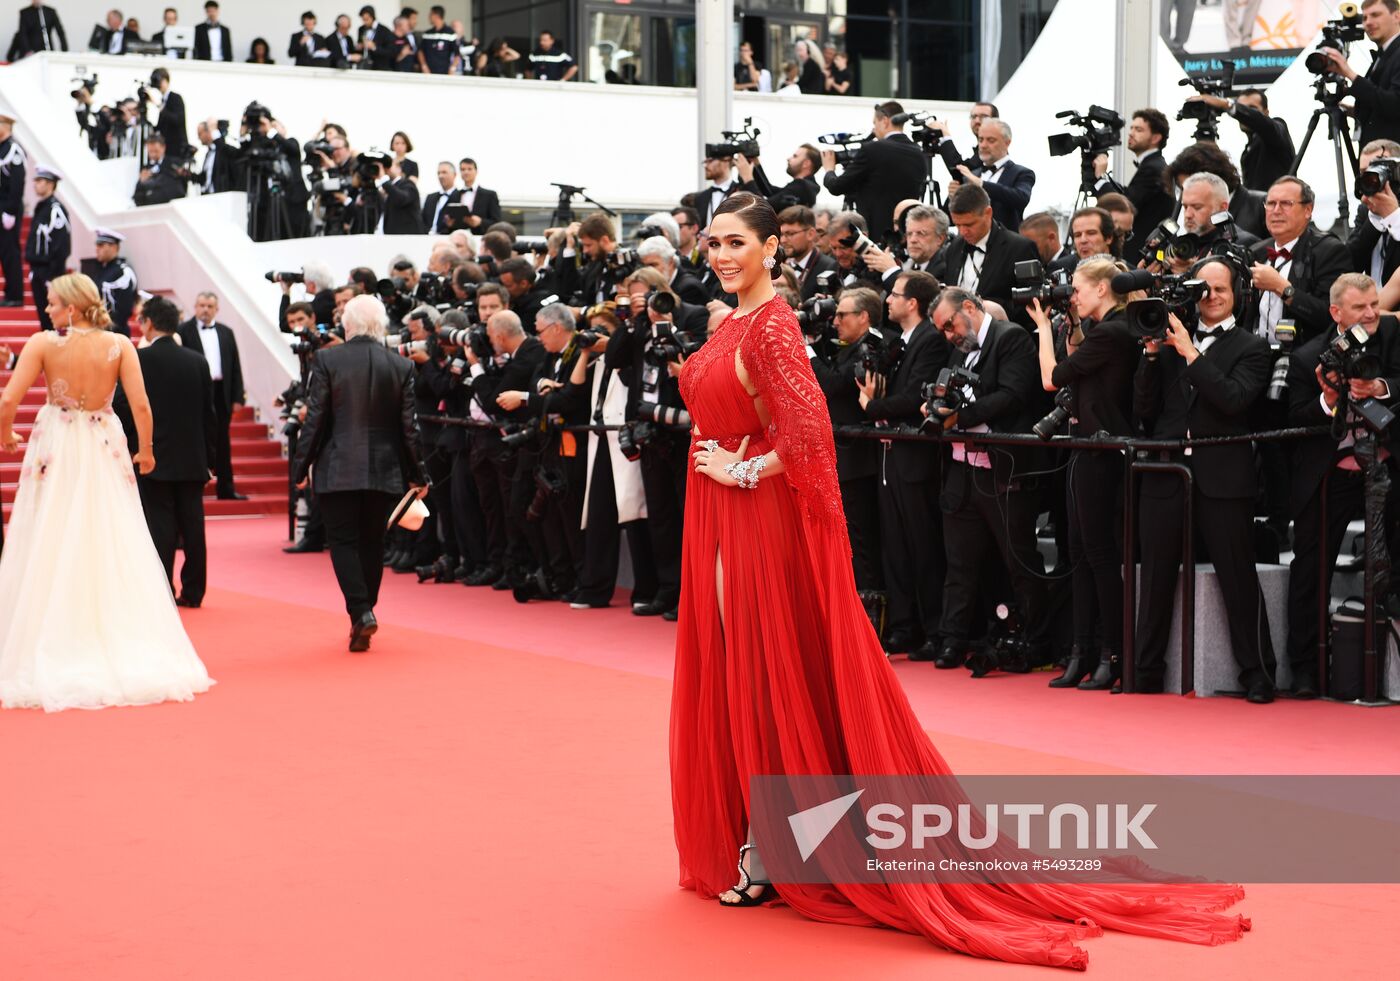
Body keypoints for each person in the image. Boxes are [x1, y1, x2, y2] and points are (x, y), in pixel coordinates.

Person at [671, 191, 1250, 963]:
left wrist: (742, 469)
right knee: (737, 671)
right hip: (717, 513)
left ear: (772, 249)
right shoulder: (734, 320)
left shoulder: (773, 325)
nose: (720, 255)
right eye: (713, 242)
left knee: (768, 673)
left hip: (752, 515)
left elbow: (806, 437)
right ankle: (762, 834)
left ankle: (774, 843)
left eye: (736, 242)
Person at [0, 273, 214, 710]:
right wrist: (147, 450)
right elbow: (140, 406)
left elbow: (8, 400)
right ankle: (112, 632)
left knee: (51, 529)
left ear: (72, 308)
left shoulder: (44, 344)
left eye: (53, 303)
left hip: (56, 442)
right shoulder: (120, 346)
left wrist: (6, 433)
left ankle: (50, 632)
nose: (48, 309)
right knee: (110, 531)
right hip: (103, 445)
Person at [1133, 256, 1277, 701]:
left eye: (1221, 290)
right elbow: (1144, 412)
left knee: (1238, 577)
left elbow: (1233, 400)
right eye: (1204, 288)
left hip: (1223, 476)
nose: (1211, 297)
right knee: (1155, 575)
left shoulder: (1251, 347)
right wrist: (1152, 357)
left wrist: (1191, 353)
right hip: (1167, 473)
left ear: (1237, 296)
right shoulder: (1172, 342)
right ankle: (1145, 672)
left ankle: (1257, 674)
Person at [1284, 273, 1400, 697]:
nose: (1372, 313)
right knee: (1310, 568)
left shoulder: (1392, 334)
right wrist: (1328, 400)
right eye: (1360, 307)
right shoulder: (1308, 357)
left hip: (1387, 467)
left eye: (1374, 304)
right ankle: (1305, 668)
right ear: (1336, 313)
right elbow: (1294, 418)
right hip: (1329, 474)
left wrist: (1379, 387)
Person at [291, 294, 427, 651]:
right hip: (385, 468)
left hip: (338, 466)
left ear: (347, 326)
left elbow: (315, 420)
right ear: (380, 326)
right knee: (372, 542)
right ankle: (365, 610)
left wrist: (300, 466)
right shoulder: (400, 366)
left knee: (343, 541)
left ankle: (360, 611)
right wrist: (418, 474)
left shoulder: (327, 359)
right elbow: (409, 428)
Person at [1030, 256, 1140, 692]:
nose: (1070, 295)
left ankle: (1109, 654)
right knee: (1077, 554)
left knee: (1097, 556)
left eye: (1076, 287)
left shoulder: (1114, 331)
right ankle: (1081, 651)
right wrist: (1072, 322)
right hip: (1085, 448)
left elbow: (1052, 379)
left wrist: (1042, 327)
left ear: (1101, 288)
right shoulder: (1103, 329)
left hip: (1104, 452)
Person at [928, 286, 1049, 672]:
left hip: (1004, 470)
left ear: (969, 307)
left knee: (1019, 561)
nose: (949, 334)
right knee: (959, 563)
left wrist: (956, 418)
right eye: (943, 331)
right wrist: (935, 405)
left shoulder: (1009, 337)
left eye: (950, 324)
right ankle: (952, 640)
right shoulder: (960, 348)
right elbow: (946, 388)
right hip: (963, 469)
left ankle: (1037, 640)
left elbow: (1013, 395)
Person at [861, 270, 949, 660]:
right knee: (895, 546)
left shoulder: (930, 340)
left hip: (916, 457)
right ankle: (903, 626)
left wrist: (872, 407)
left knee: (922, 545)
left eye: (894, 295)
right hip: (892, 454)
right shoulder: (900, 341)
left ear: (912, 303)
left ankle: (932, 627)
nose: (888, 300)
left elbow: (915, 396)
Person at [114, 295, 216, 608]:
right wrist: (209, 457)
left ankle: (164, 589)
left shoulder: (139, 360)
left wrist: (134, 445)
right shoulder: (197, 361)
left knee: (160, 525)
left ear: (148, 323)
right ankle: (195, 590)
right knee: (193, 525)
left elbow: (122, 407)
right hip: (193, 456)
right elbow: (208, 413)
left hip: (152, 453)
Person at [1250, 176, 1351, 345]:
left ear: (1308, 210)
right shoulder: (1256, 252)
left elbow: (1333, 316)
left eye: (1286, 203)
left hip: (1305, 357)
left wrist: (1282, 288)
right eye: (1271, 203)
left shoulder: (1330, 251)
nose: (1276, 210)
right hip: (1256, 357)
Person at [934, 183, 1040, 325]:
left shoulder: (1020, 248)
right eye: (958, 225)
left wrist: (984, 307)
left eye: (969, 224)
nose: (963, 231)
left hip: (1001, 338)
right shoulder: (954, 247)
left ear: (988, 213)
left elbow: (1033, 305)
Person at [820, 101, 925, 240]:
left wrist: (829, 169)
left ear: (885, 121)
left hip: (874, 234)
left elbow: (837, 186)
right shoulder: (919, 152)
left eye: (875, 123)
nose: (874, 129)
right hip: (906, 234)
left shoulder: (872, 149)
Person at [176, 292, 246, 500]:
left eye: (209, 306)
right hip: (195, 393)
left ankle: (226, 488)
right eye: (201, 305)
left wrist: (238, 397)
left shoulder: (226, 332)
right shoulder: (183, 331)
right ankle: (194, 489)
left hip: (221, 391)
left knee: (223, 441)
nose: (205, 309)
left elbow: (235, 366)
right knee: (196, 439)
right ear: (195, 307)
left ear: (217, 309)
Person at [1319, 0, 1400, 148]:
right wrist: (1354, 111)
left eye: (1375, 15)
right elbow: (1380, 107)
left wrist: (1349, 74)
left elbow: (1395, 105)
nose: (1368, 22)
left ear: (1397, 16)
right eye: (1364, 18)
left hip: (1392, 161)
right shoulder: (1382, 55)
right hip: (1376, 158)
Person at [949, 119, 1035, 230]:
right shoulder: (971, 175)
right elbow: (950, 219)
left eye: (991, 140)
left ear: (1007, 142)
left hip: (1006, 243)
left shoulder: (1022, 173)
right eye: (980, 140)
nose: (983, 145)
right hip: (970, 243)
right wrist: (954, 198)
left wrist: (981, 184)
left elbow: (1020, 198)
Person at [25, 165, 68, 332]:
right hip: (38, 271)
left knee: (53, 320)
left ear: (51, 184)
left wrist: (53, 277)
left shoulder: (56, 210)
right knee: (44, 319)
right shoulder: (42, 208)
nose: (36, 184)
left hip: (49, 273)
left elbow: (62, 246)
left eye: (40, 181)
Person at [91, 228, 137, 336]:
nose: (97, 249)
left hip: (116, 333)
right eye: (97, 245)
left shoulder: (123, 272)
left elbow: (124, 309)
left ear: (114, 247)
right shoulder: (100, 271)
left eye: (101, 245)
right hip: (99, 331)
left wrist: (107, 327)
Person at [0, 114, 24, 308]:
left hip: (7, 207)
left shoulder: (13, 149)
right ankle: (9, 291)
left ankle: (15, 294)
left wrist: (10, 210)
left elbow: (17, 182)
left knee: (10, 252)